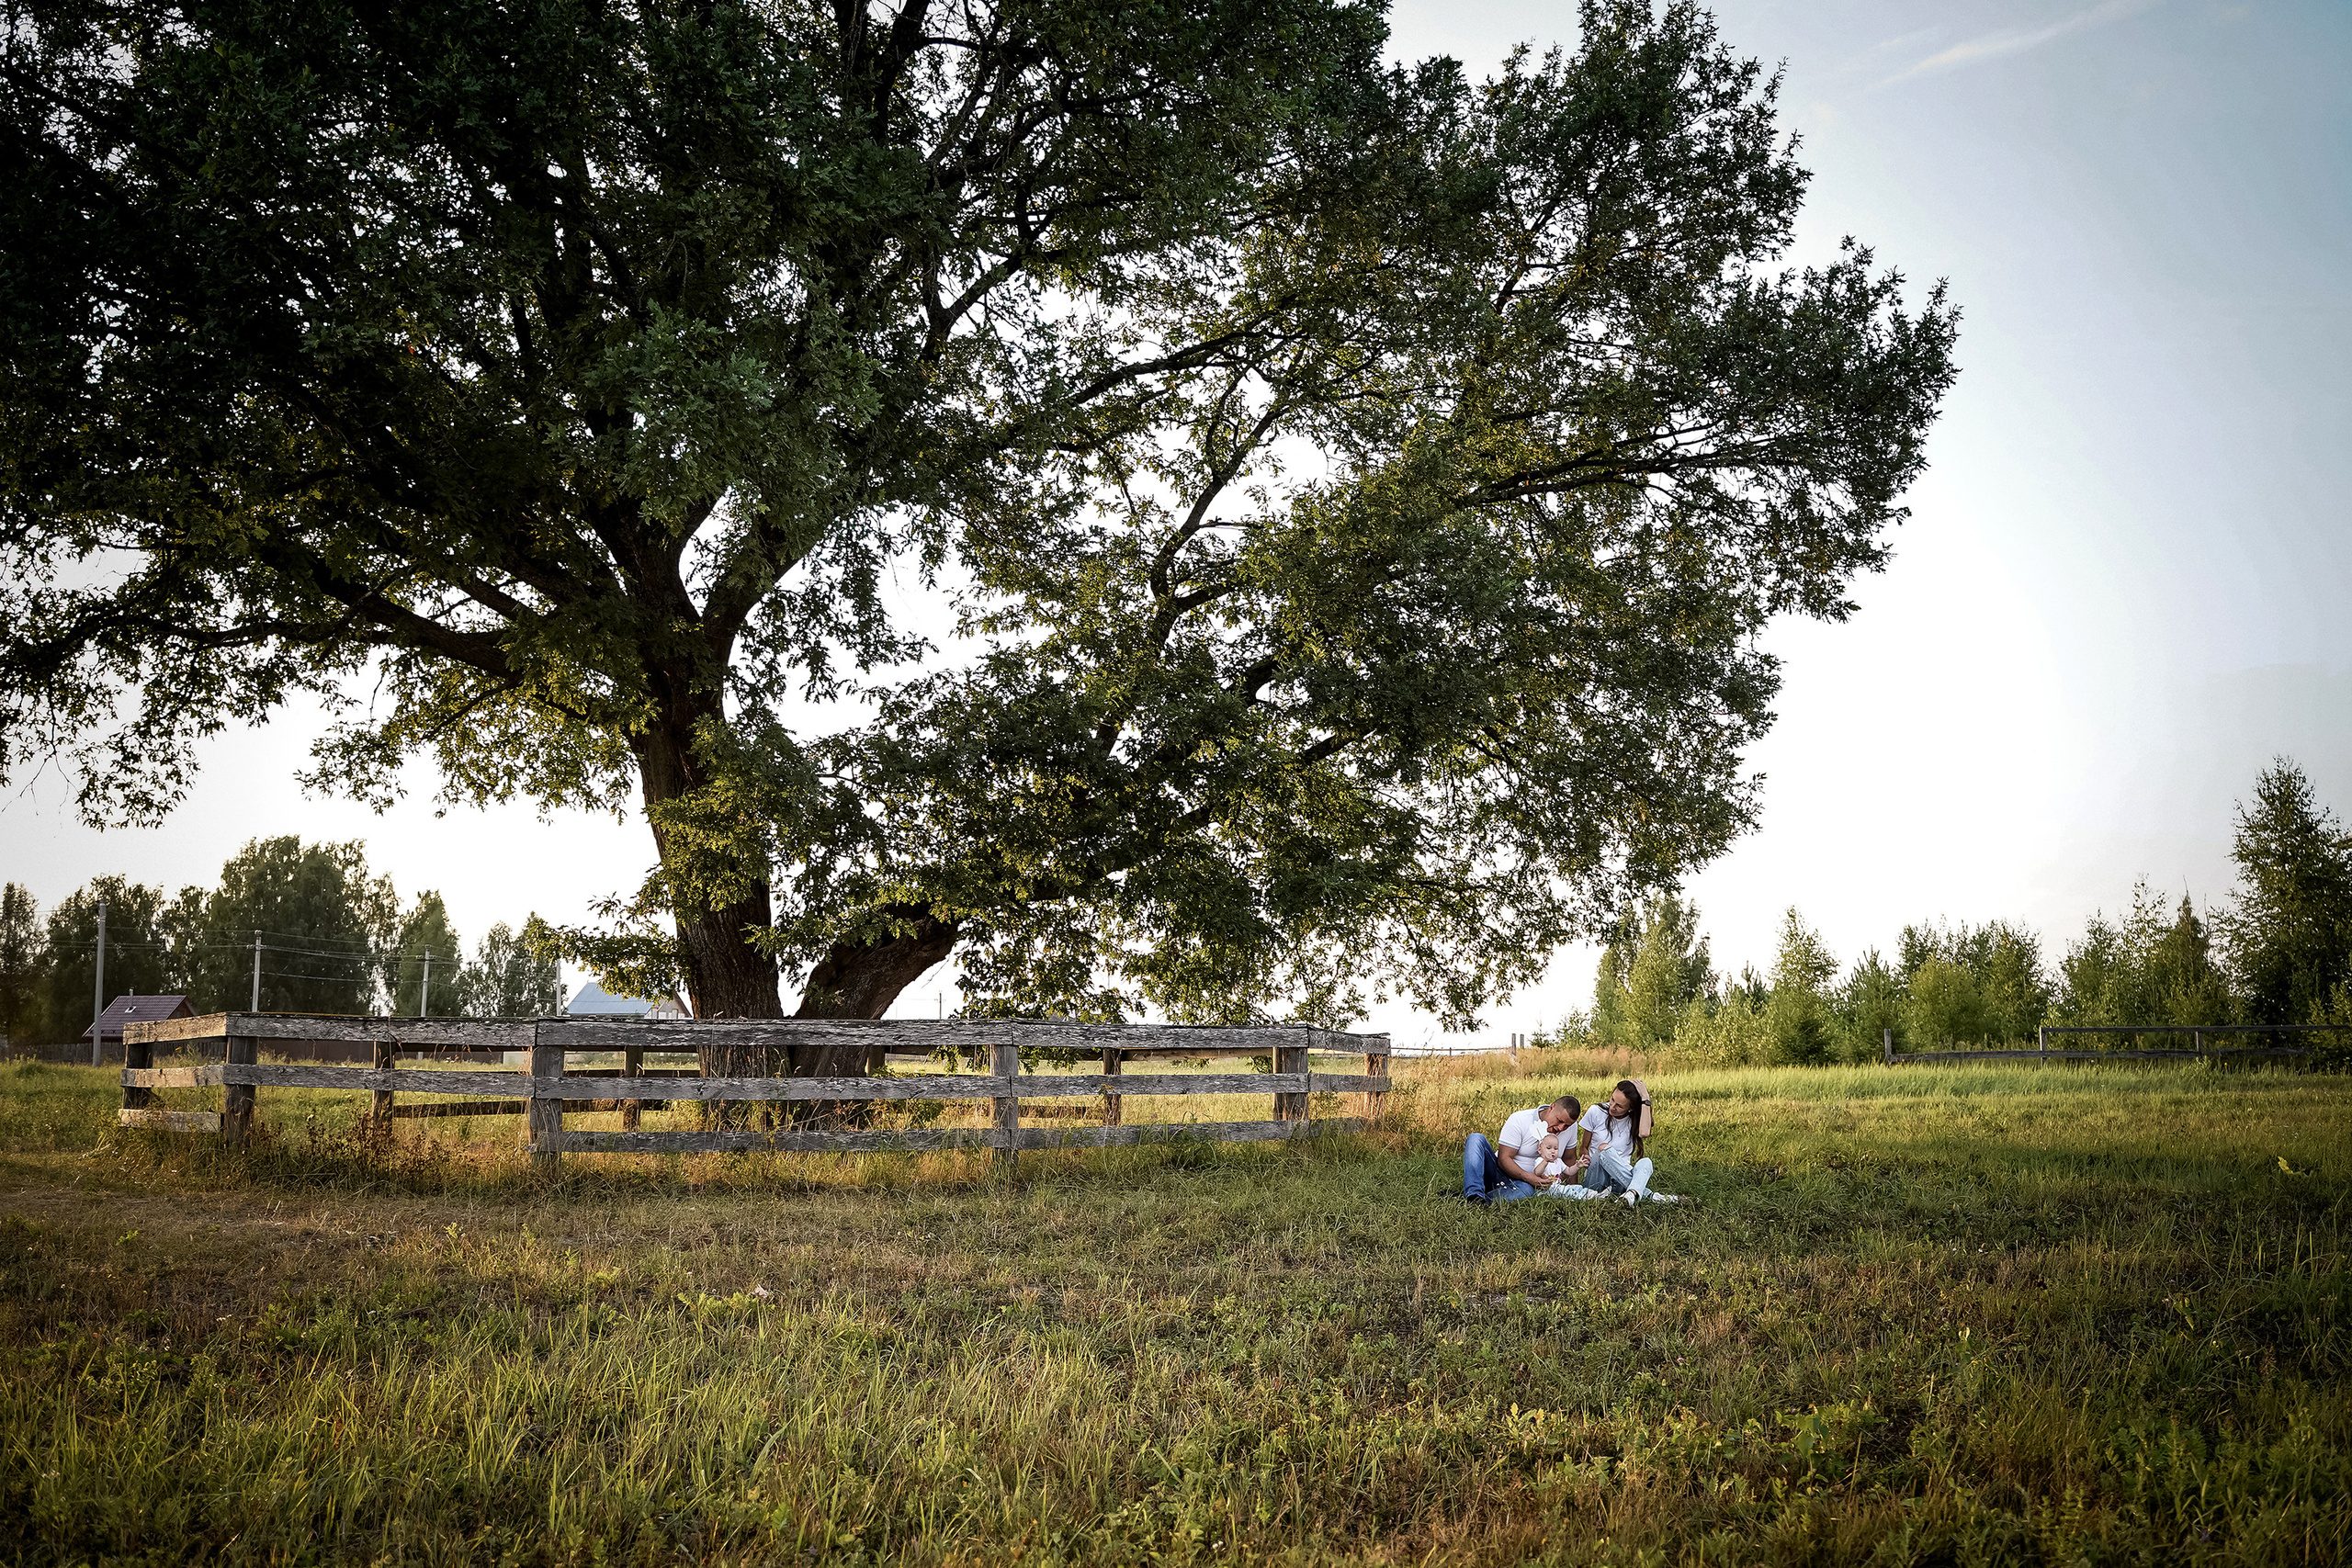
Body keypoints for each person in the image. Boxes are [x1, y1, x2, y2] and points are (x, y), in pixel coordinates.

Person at [1566, 1077, 1682, 1205]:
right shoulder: (1596, 1111)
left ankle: (1629, 1195)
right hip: (1597, 1181)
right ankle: (1648, 1195)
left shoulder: (1634, 1119)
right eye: (1612, 1099)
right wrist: (1586, 1158)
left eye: (1619, 1106)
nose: (1612, 1106)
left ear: (1631, 1109)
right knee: (1604, 1149)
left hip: (1619, 1181)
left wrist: (1645, 1097)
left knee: (1646, 1162)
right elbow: (1583, 1147)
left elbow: (1644, 1133)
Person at [1463, 1096, 1580, 1202]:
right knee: (1476, 1138)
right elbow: (1504, 1159)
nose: (1561, 1128)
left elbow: (1569, 1158)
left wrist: (1574, 1192)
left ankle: (1481, 1201)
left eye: (1566, 1126)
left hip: (1524, 1185)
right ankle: (1474, 1193)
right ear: (1552, 1107)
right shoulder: (1520, 1119)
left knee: (1527, 1191)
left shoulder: (1572, 1127)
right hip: (1499, 1173)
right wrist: (1529, 1177)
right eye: (1559, 1121)